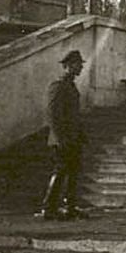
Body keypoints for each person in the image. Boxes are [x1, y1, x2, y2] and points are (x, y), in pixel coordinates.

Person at [38, 49, 88, 221]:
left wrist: (80, 134)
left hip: (73, 138)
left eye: (80, 64)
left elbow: (74, 114)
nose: (80, 67)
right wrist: (60, 139)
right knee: (60, 171)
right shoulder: (58, 85)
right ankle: (48, 207)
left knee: (73, 172)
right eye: (77, 64)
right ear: (67, 66)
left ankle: (70, 207)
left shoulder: (70, 85)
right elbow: (52, 115)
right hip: (63, 139)